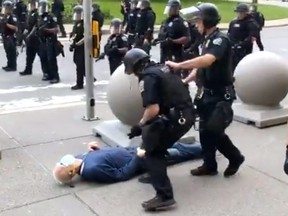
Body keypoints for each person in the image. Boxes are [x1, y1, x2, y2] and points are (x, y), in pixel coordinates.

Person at [166, 3, 245, 177]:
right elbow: (201, 67)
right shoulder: (207, 39)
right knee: (203, 130)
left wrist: (179, 65)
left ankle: (235, 157)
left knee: (214, 130)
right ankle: (209, 165)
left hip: (220, 95)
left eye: (198, 20)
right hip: (206, 93)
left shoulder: (220, 40)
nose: (195, 24)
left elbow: (207, 60)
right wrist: (186, 80)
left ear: (207, 21)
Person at [123, 48, 195, 211]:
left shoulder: (147, 78)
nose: (134, 75)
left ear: (135, 67)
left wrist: (139, 125)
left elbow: (153, 109)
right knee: (156, 143)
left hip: (178, 117)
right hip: (185, 113)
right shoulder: (163, 68)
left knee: (152, 152)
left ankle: (164, 196)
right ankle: (156, 173)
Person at [53, 140, 202, 185]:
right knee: (179, 152)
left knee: (174, 144)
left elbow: (105, 157)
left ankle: (207, 146)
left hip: (132, 151)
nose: (66, 159)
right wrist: (138, 157)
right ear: (71, 171)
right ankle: (208, 149)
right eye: (64, 163)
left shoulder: (81, 160)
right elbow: (121, 174)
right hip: (141, 158)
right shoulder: (92, 170)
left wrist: (97, 150)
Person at [155, 0, 190, 65]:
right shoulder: (165, 21)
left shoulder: (180, 22)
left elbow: (186, 38)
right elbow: (163, 33)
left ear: (176, 9)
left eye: (171, 8)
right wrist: (157, 40)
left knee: (173, 73)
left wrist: (173, 41)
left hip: (175, 53)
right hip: (164, 52)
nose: (169, 10)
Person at [227, 3, 258, 72]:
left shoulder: (251, 23)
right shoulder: (233, 22)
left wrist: (241, 45)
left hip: (244, 50)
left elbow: (251, 37)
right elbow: (229, 34)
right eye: (238, 12)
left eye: (241, 12)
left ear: (246, 13)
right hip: (232, 50)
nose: (239, 14)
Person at [19, 0, 44, 76]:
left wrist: (30, 34)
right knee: (29, 55)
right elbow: (28, 25)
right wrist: (25, 34)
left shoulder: (37, 14)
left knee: (42, 56)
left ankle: (46, 72)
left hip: (36, 38)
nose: (31, 6)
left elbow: (36, 25)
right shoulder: (30, 14)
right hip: (30, 38)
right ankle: (28, 69)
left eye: (32, 4)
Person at [37, 0, 60, 83]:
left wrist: (46, 30)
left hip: (50, 41)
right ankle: (47, 73)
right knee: (43, 58)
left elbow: (56, 29)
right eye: (40, 7)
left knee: (51, 59)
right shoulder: (39, 17)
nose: (41, 9)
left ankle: (55, 76)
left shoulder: (51, 16)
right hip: (41, 41)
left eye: (43, 7)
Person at [69, 5, 85, 90]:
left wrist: (78, 44)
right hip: (77, 47)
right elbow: (73, 35)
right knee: (77, 62)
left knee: (79, 66)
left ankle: (79, 83)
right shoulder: (76, 24)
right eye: (76, 14)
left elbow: (85, 37)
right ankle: (89, 76)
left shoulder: (84, 24)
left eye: (79, 14)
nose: (77, 16)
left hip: (82, 48)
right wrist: (71, 43)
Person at [1, 0, 17, 72]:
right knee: (8, 52)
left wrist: (6, 24)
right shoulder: (4, 17)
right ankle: (9, 64)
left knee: (12, 52)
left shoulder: (13, 17)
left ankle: (13, 66)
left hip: (11, 36)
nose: (5, 9)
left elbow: (15, 28)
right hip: (5, 36)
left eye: (6, 8)